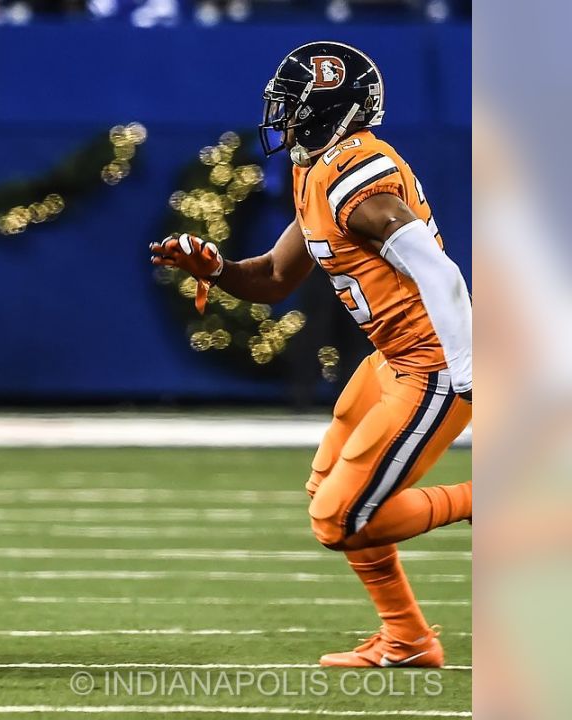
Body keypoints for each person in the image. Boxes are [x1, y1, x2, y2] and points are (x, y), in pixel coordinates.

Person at [151, 42, 472, 668]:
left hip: (431, 362)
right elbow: (273, 275)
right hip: (393, 358)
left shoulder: (359, 176)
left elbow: (441, 273)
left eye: (294, 108)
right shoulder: (318, 167)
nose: (283, 120)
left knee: (341, 518)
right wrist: (216, 269)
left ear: (330, 112)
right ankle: (406, 638)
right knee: (330, 485)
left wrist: (467, 368)